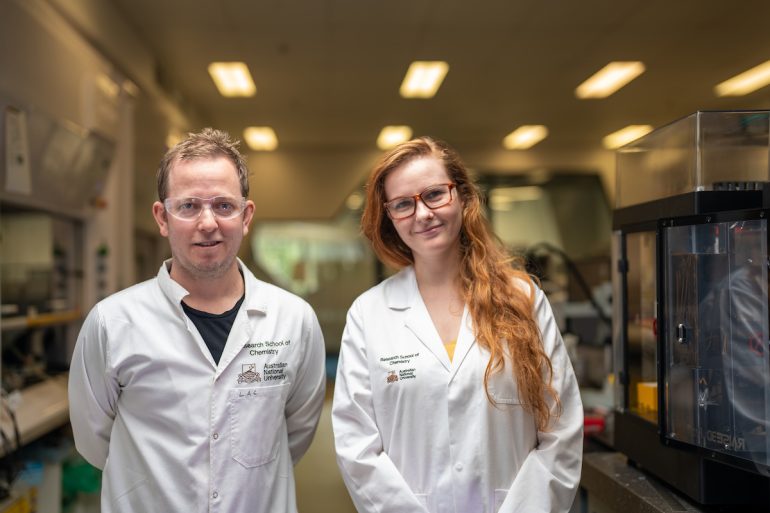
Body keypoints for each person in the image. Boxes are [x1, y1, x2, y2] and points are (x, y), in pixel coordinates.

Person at [68, 128, 326, 513]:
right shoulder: (112, 322)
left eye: (223, 206)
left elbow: (297, 431)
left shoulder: (294, 320)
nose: (208, 223)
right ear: (162, 217)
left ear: (246, 215)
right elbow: (93, 439)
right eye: (189, 206)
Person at [331, 136, 583, 512]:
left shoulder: (523, 299)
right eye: (403, 204)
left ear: (463, 197)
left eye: (435, 194)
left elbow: (560, 429)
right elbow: (357, 447)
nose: (422, 214)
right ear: (389, 218)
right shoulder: (369, 314)